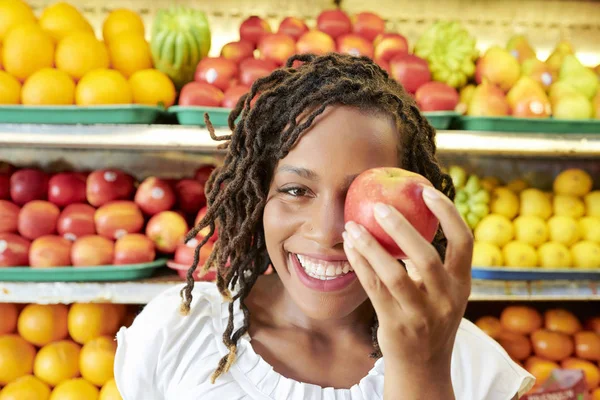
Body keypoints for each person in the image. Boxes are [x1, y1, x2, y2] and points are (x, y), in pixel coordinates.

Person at [114, 53, 534, 400]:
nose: (328, 232)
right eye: (296, 190)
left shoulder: (470, 365)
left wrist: (421, 370)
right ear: (260, 196)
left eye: (357, 198)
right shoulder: (176, 332)